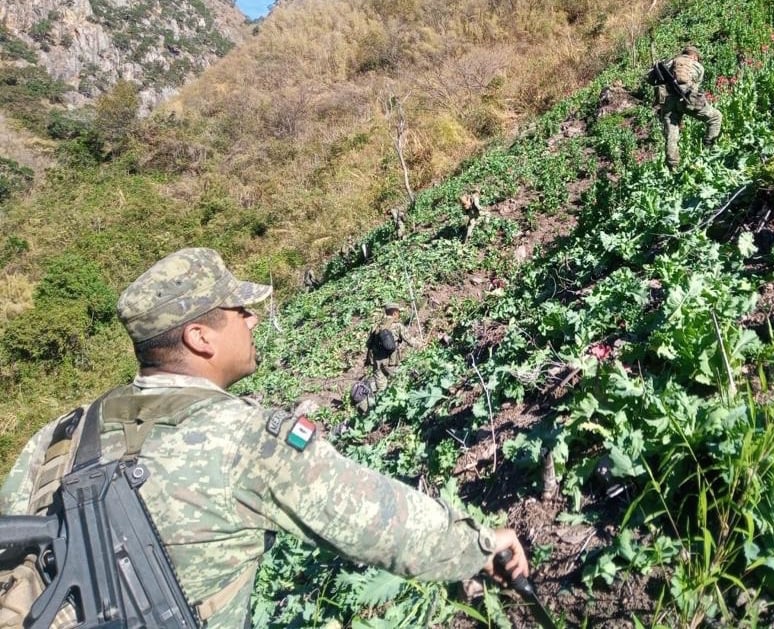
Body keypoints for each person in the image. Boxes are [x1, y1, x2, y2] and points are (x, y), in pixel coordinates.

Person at [0, 248, 527, 627]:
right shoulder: (245, 440)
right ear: (200, 337)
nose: (251, 317)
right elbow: (381, 524)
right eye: (237, 310)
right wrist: (478, 546)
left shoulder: (56, 437)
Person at [649, 45, 723, 169]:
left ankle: (673, 168)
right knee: (715, 117)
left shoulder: (670, 63)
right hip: (688, 99)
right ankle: (709, 150)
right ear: (694, 56)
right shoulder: (698, 66)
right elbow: (695, 87)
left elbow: (652, 78)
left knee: (671, 135)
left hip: (668, 102)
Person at [365, 301, 421, 393]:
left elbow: (368, 345)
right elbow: (410, 340)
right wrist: (421, 345)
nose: (399, 315)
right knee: (399, 383)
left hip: (377, 363)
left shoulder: (375, 326)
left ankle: (380, 402)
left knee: (381, 389)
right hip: (391, 363)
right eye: (399, 313)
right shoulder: (398, 326)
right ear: (395, 313)